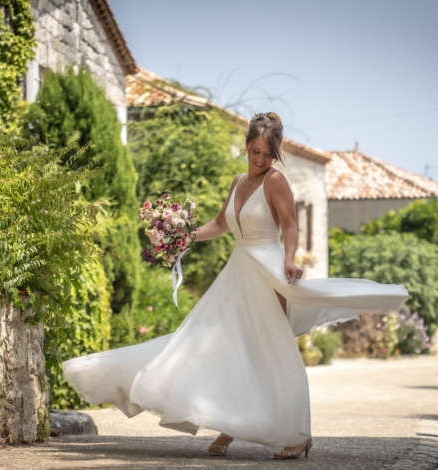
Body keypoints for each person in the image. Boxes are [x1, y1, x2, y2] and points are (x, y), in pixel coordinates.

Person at [63, 112, 408, 460]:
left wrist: (290, 260)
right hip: (238, 272)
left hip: (268, 271)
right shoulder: (237, 180)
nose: (261, 160)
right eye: (255, 151)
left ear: (276, 155)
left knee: (271, 353)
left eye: (268, 154)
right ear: (245, 146)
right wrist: (183, 237)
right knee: (224, 349)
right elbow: (219, 223)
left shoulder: (275, 181)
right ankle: (229, 427)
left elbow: (290, 226)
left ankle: (299, 434)